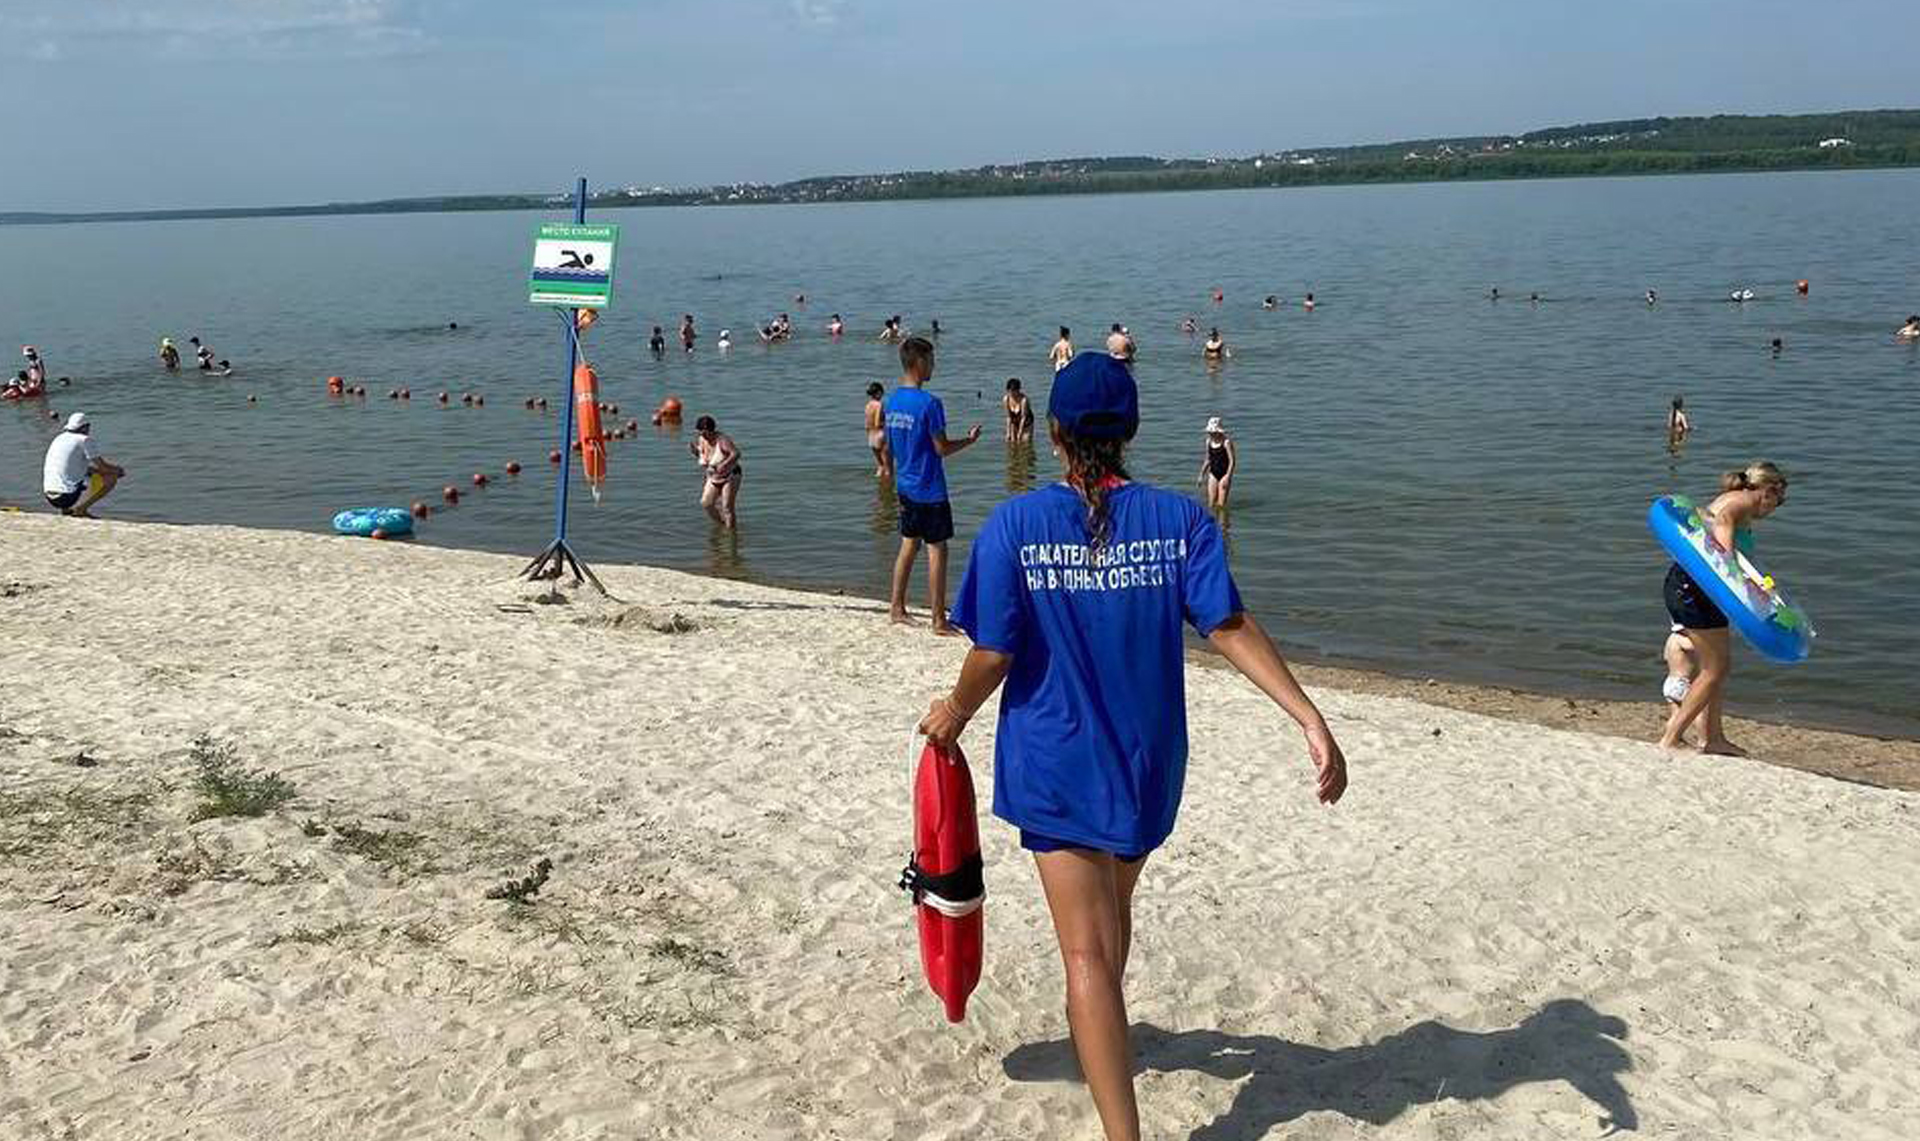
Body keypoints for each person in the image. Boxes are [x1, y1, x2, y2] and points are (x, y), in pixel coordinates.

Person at [921, 351, 1347, 1141]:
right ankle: (1103, 1032)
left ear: (1051, 432)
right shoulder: (1179, 520)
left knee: (1087, 954)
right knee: (1111, 922)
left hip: (1057, 766)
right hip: (1148, 765)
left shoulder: (1016, 524)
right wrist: (1308, 716)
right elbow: (1227, 624)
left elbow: (993, 652)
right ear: (1133, 431)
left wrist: (954, 708)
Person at [1658, 461, 1790, 756]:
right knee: (1715, 668)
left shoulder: (1732, 498)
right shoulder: (1739, 504)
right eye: (1778, 501)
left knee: (1717, 667)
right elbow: (1724, 531)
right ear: (1768, 491)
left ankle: (1712, 738)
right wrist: (1733, 566)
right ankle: (1672, 736)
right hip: (1695, 591)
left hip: (1690, 588)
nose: (1774, 509)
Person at [883, 336, 980, 631]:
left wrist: (889, 473)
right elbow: (941, 448)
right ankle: (938, 619)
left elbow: (888, 447)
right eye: (932, 361)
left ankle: (896, 607)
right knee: (937, 549)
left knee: (908, 544)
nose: (934, 366)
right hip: (929, 489)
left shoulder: (891, 400)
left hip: (905, 485)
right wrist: (970, 440)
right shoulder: (929, 403)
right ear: (920, 362)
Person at [42, 413, 124, 518]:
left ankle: (67, 510)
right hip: (66, 498)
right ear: (85, 427)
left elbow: (77, 468)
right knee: (111, 478)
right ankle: (81, 509)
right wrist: (117, 470)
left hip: (50, 496)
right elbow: (102, 466)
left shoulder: (59, 438)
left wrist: (100, 471)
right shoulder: (84, 440)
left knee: (73, 476)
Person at [688, 414, 742, 529]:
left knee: (727, 507)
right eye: (701, 433)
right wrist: (695, 452)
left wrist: (724, 464)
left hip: (730, 475)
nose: (704, 436)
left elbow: (736, 453)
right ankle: (723, 526)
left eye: (707, 433)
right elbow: (707, 458)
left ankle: (730, 536)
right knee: (706, 503)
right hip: (713, 476)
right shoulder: (702, 440)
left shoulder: (722, 440)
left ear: (712, 430)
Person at [1198, 416, 1235, 513]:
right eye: (1210, 432)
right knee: (1211, 503)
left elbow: (1232, 461)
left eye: (1213, 432)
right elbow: (1208, 459)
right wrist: (1201, 475)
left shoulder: (1226, 442)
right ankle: (1212, 524)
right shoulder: (1208, 441)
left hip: (1224, 474)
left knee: (1221, 505)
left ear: (1218, 431)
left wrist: (1228, 477)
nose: (1211, 434)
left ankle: (1222, 526)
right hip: (1213, 473)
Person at [1661, 626, 1699, 716]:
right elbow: (1694, 646)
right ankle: (1704, 730)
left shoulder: (1670, 639)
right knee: (1699, 712)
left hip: (1670, 682)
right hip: (1682, 682)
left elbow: (1666, 657)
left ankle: (1671, 730)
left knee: (1676, 715)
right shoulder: (1682, 639)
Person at [865, 382, 892, 480]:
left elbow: (867, 424)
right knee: (887, 466)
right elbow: (877, 423)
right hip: (880, 434)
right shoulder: (879, 405)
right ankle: (888, 487)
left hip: (871, 436)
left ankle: (880, 486)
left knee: (880, 465)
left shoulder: (868, 405)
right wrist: (888, 424)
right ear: (879, 393)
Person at [1003, 377, 1034, 443]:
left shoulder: (1024, 400)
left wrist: (1020, 433)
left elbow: (1023, 418)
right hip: (1014, 422)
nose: (1012, 394)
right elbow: (1008, 417)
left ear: (1018, 390)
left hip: (1026, 424)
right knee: (1011, 443)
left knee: (1025, 443)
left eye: (1014, 391)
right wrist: (1008, 432)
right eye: (1010, 391)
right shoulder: (1006, 399)